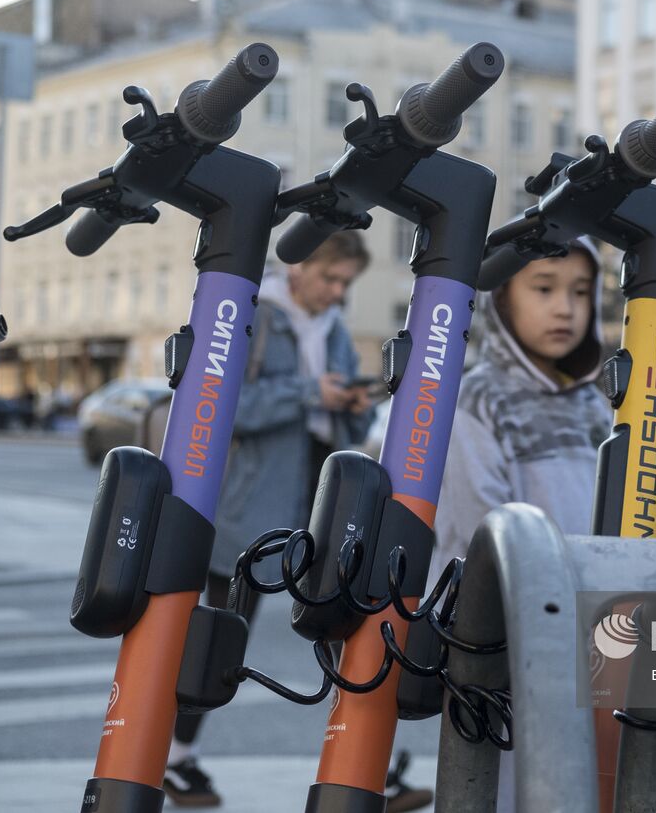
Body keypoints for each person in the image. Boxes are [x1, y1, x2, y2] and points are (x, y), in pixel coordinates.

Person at [164, 231, 378, 807]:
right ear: (301, 266)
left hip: (321, 496)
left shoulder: (331, 328)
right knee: (221, 633)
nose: (336, 294)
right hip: (252, 505)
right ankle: (176, 757)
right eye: (330, 279)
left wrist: (353, 405)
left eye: (345, 285)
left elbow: (342, 423)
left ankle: (363, 759)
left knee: (347, 628)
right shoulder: (253, 315)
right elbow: (224, 404)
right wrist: (313, 393)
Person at [428, 238, 607, 813]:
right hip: (513, 632)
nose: (565, 309)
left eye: (581, 292)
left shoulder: (597, 404)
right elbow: (474, 533)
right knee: (510, 785)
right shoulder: (479, 399)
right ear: (502, 299)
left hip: (599, 628)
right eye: (544, 289)